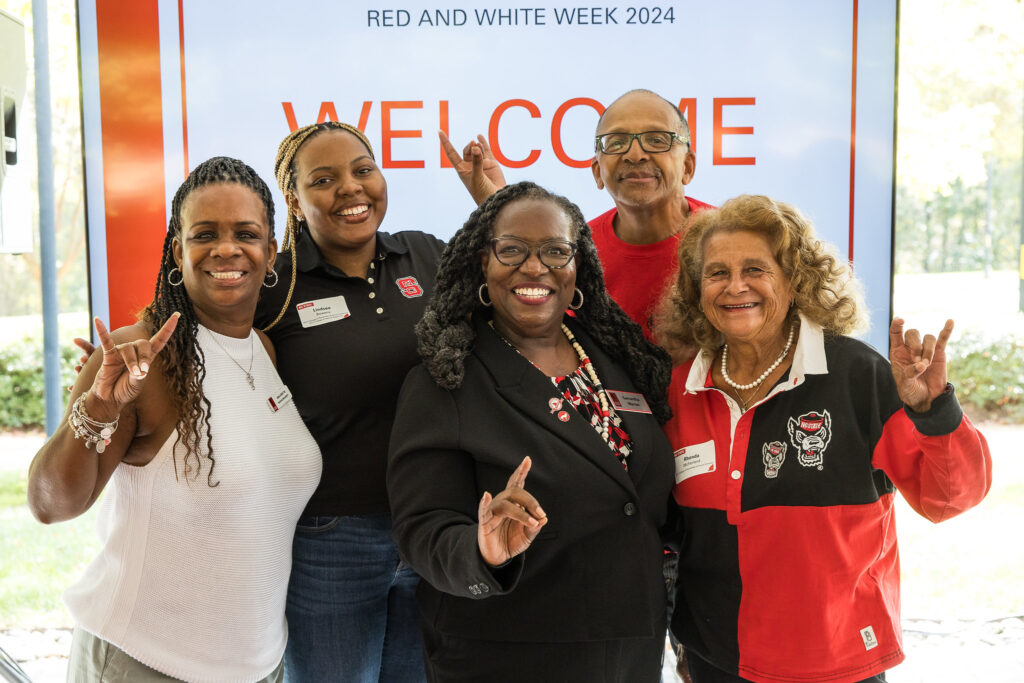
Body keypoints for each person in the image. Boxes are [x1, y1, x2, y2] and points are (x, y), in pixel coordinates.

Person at [655, 194, 993, 683]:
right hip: (717, 656)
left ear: (795, 280)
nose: (735, 287)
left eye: (756, 269)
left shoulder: (859, 376)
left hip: (837, 659)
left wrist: (933, 411)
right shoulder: (680, 388)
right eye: (716, 273)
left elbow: (949, 499)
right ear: (696, 289)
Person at [28, 157, 322, 682]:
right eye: (204, 233)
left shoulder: (266, 352)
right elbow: (50, 505)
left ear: (270, 251)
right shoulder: (139, 355)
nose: (226, 249)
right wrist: (98, 409)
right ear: (178, 251)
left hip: (259, 667)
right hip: (143, 661)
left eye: (246, 233)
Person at [387, 181, 676, 682]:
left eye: (555, 251)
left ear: (578, 264)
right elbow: (421, 529)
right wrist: (481, 553)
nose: (534, 267)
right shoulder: (447, 379)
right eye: (512, 250)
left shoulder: (619, 358)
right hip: (510, 653)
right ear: (483, 263)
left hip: (630, 646)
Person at [255, 121, 445, 682]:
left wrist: (489, 193)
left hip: (432, 525)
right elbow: (202, 334)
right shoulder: (275, 285)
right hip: (330, 536)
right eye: (324, 178)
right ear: (293, 198)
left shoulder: (425, 254)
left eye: (364, 169)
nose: (352, 188)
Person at [441, 88, 714, 335]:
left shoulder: (729, 238)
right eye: (617, 142)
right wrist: (500, 206)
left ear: (688, 167)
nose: (635, 154)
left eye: (656, 140)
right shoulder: (573, 253)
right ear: (597, 172)